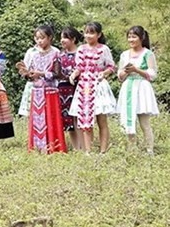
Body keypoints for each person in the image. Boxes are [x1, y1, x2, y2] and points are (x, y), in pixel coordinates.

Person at [68, 22, 116, 154]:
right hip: (84, 86)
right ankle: (88, 151)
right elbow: (79, 67)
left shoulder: (104, 49)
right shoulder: (81, 49)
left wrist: (104, 73)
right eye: (86, 32)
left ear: (99, 34)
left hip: (98, 85)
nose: (88, 35)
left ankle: (103, 150)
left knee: (101, 119)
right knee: (84, 117)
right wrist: (73, 74)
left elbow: (111, 66)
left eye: (92, 33)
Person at [19, 26, 66, 154]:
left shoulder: (55, 52)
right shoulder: (33, 53)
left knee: (51, 118)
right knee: (36, 119)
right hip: (37, 90)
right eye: (37, 38)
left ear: (50, 38)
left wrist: (41, 73)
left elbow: (58, 74)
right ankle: (37, 148)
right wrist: (27, 74)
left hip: (50, 91)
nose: (39, 41)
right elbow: (28, 75)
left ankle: (54, 147)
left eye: (42, 38)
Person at [116, 26, 159, 155]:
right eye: (129, 36)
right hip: (128, 86)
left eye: (134, 36)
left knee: (144, 122)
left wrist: (136, 70)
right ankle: (132, 148)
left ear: (141, 38)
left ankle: (149, 149)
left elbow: (152, 74)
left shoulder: (147, 53)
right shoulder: (125, 54)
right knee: (127, 120)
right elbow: (120, 76)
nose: (131, 39)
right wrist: (126, 71)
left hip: (142, 88)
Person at [57, 27, 83, 150]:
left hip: (77, 88)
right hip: (62, 88)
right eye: (61, 37)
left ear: (73, 39)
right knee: (68, 120)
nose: (62, 40)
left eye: (65, 37)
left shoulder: (81, 53)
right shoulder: (60, 55)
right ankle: (75, 147)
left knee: (78, 117)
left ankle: (84, 147)